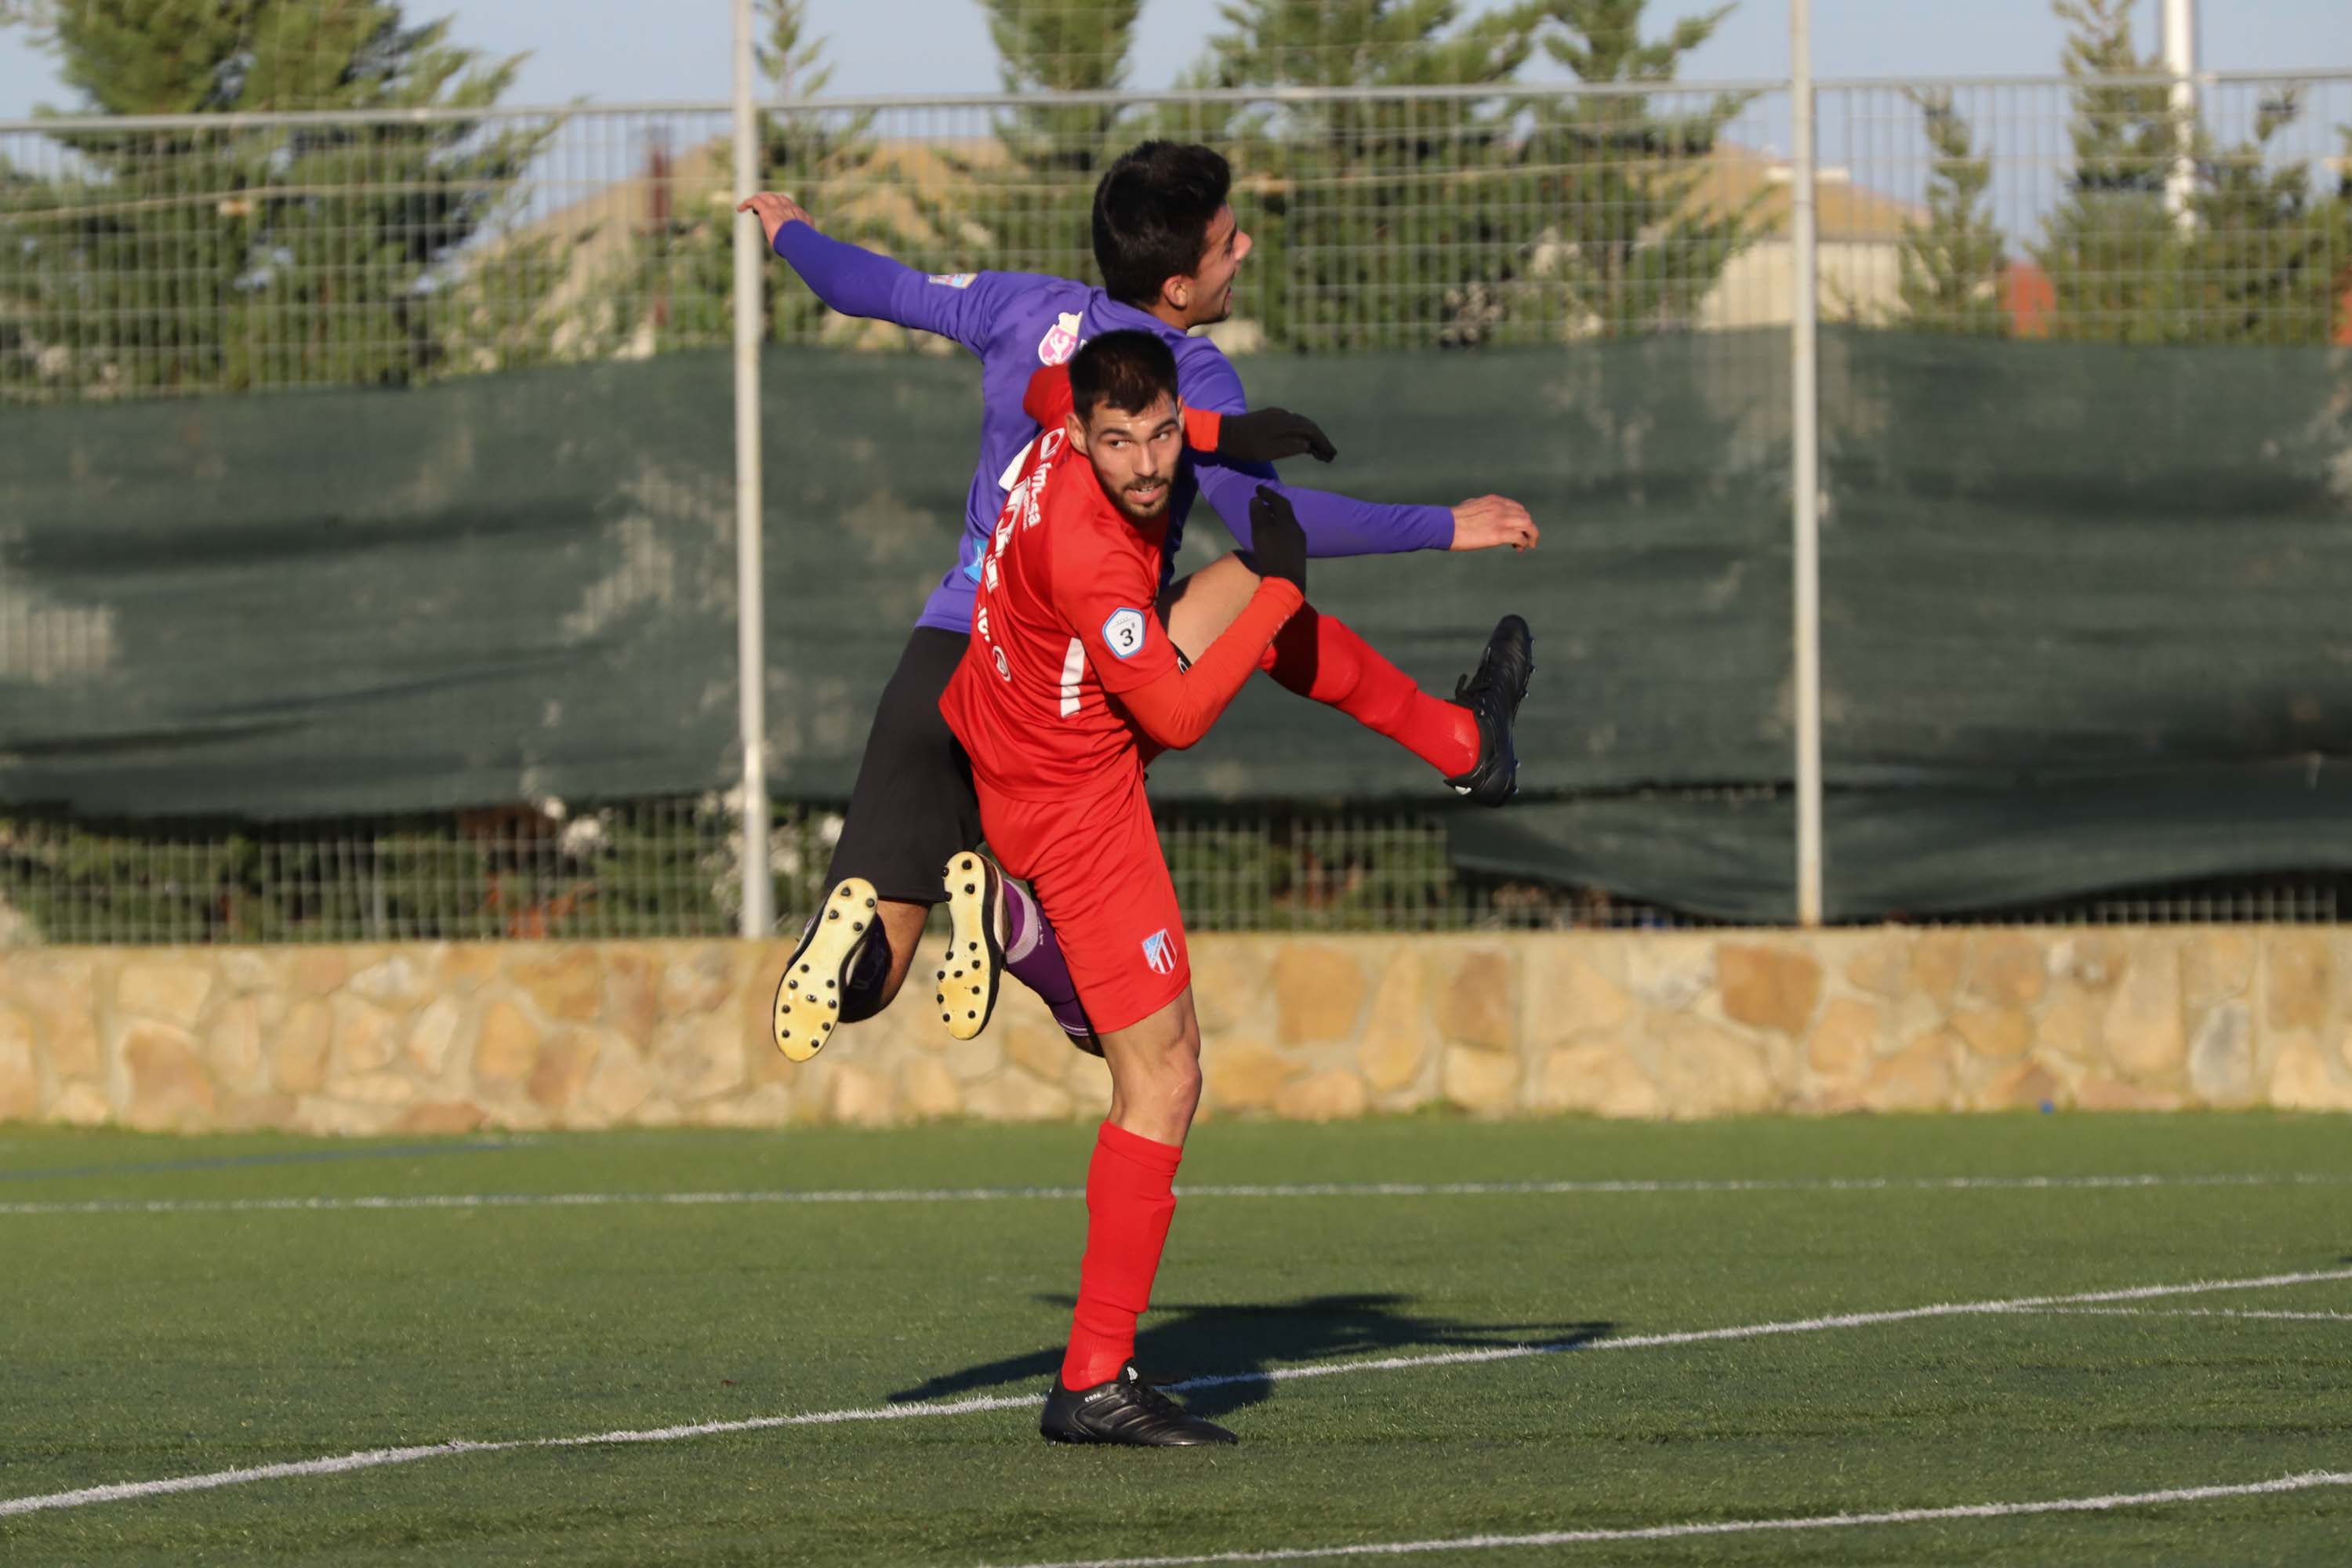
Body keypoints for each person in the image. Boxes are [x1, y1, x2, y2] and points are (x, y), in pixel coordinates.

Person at [743, 140, 1537, 1067]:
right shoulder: (1183, 374)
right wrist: (1443, 524)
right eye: (1228, 244)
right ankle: (1018, 923)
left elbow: (873, 287)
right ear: (1176, 287)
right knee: (1139, 1038)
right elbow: (1277, 522)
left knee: (878, 967)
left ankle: (851, 950)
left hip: (944, 654)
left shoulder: (1020, 304)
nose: (1243, 251)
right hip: (1065, 687)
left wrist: (793, 235)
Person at [942, 330, 1406, 1444]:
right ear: (1081, 437)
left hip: (1013, 748)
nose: (1150, 465)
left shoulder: (1056, 412)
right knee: (1165, 1076)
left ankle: (1033, 943)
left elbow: (1058, 386)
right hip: (1078, 798)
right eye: (1123, 443)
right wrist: (1281, 596)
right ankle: (1093, 1380)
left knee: (1135, 1043)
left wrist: (1223, 433)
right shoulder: (1094, 555)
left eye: (1160, 435)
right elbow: (1179, 717)